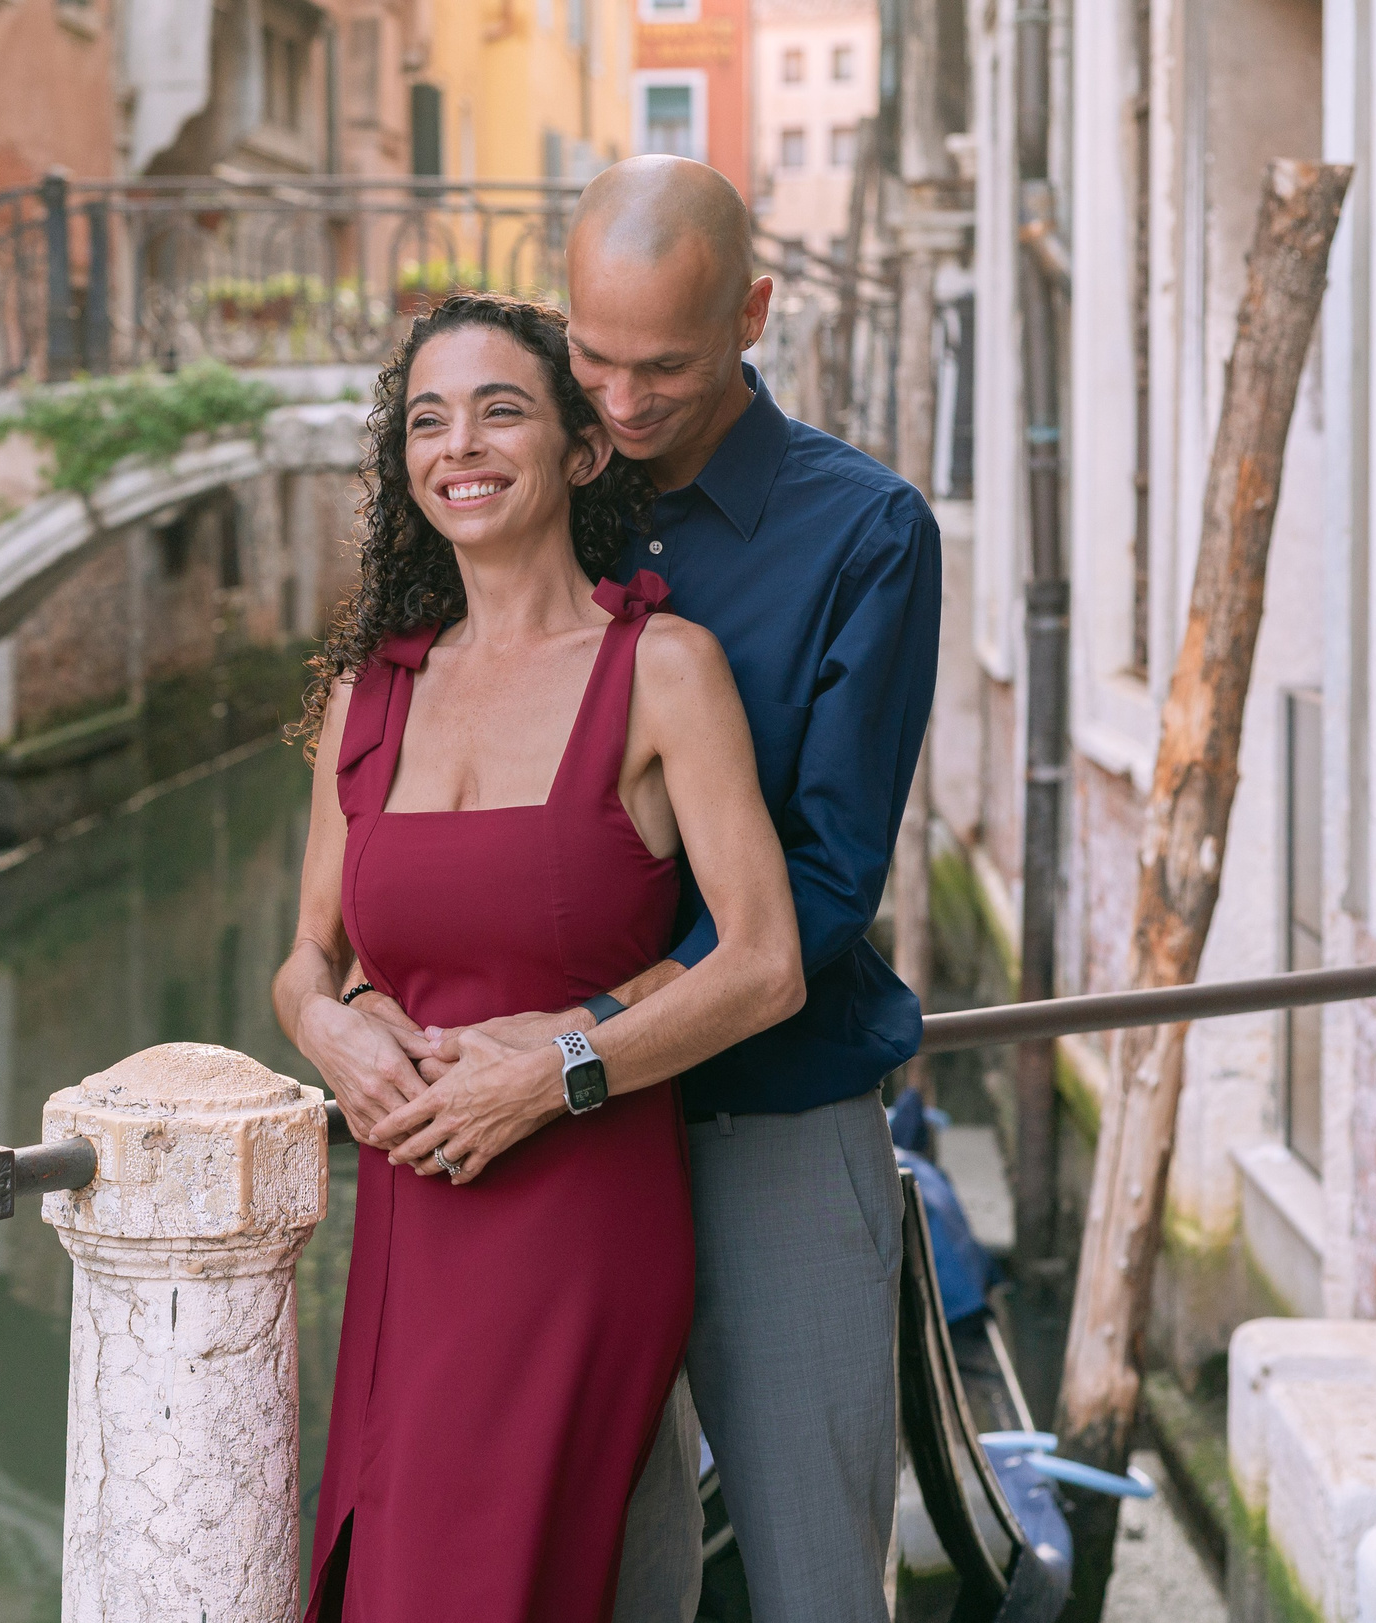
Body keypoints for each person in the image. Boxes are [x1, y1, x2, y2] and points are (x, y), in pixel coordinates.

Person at [355, 157, 943, 1619]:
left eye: (663, 370)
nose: (616, 405)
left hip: (767, 1115)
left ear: (752, 313)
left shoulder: (866, 536)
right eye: (593, 359)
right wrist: (371, 995)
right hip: (545, 1178)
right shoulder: (528, 500)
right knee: (599, 1586)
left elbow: (826, 875)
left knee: (813, 1581)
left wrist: (583, 1037)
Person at [271, 291, 806, 1622]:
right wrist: (329, 1030)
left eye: (500, 409)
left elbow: (762, 962)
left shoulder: (664, 669)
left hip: (581, 1211)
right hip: (407, 1214)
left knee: (491, 1586)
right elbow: (309, 959)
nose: (460, 444)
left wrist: (560, 1067)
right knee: (391, 1577)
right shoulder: (364, 694)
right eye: (427, 419)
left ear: (578, 449)